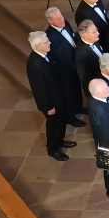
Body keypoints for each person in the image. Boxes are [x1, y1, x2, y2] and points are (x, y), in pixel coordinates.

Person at [27, 31, 75, 161]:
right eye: (46, 42)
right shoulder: (35, 64)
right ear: (38, 46)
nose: (50, 43)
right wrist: (48, 106)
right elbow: (39, 89)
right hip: (50, 103)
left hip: (57, 97)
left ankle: (60, 141)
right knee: (53, 125)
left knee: (61, 122)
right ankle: (53, 149)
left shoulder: (44, 54)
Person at [44, 7, 85, 126]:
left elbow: (73, 40)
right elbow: (57, 58)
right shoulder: (49, 36)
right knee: (69, 94)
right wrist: (74, 65)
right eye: (57, 19)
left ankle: (78, 108)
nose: (61, 20)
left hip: (75, 64)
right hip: (64, 71)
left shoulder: (66, 23)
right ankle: (70, 118)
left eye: (61, 16)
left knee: (77, 88)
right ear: (50, 21)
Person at [76, 20, 104, 96]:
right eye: (94, 32)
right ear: (85, 35)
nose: (98, 33)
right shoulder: (82, 55)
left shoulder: (94, 40)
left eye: (96, 30)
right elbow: (85, 79)